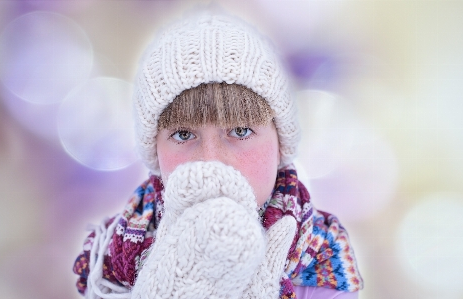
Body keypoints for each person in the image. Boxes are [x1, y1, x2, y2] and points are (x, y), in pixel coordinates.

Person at [73, 10, 363, 299]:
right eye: (184, 135)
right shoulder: (109, 260)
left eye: (240, 131)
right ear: (155, 154)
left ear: (280, 145)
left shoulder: (322, 260)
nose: (211, 160)